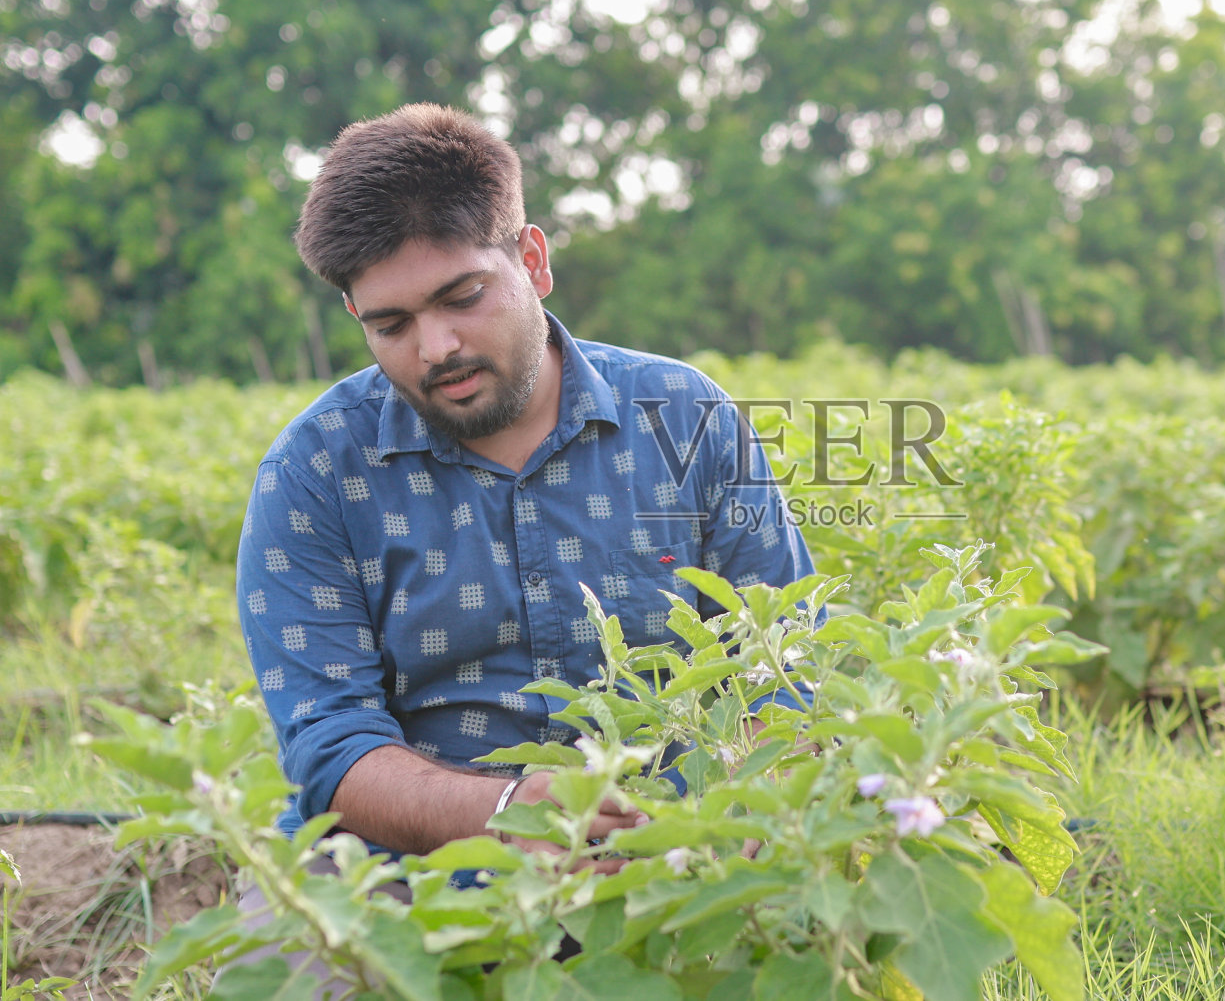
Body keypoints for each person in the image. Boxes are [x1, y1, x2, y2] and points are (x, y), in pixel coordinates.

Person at [235, 103, 815, 871]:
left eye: (462, 296)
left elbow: (785, 661)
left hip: (676, 853)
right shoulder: (314, 471)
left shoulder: (685, 416)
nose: (435, 346)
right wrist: (507, 815)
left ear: (533, 260)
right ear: (354, 315)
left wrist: (740, 810)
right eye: (391, 324)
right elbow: (330, 749)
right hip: (407, 870)